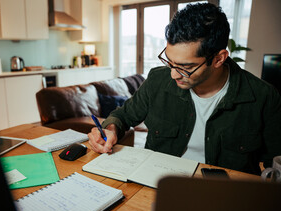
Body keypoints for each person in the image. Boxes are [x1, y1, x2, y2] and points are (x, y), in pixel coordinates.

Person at [88, 3, 281, 175]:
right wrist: (110, 129)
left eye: (186, 67)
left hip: (224, 195)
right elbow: (123, 116)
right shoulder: (157, 80)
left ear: (218, 59)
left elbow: (274, 164)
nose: (173, 74)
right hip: (158, 182)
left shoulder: (263, 96)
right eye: (170, 62)